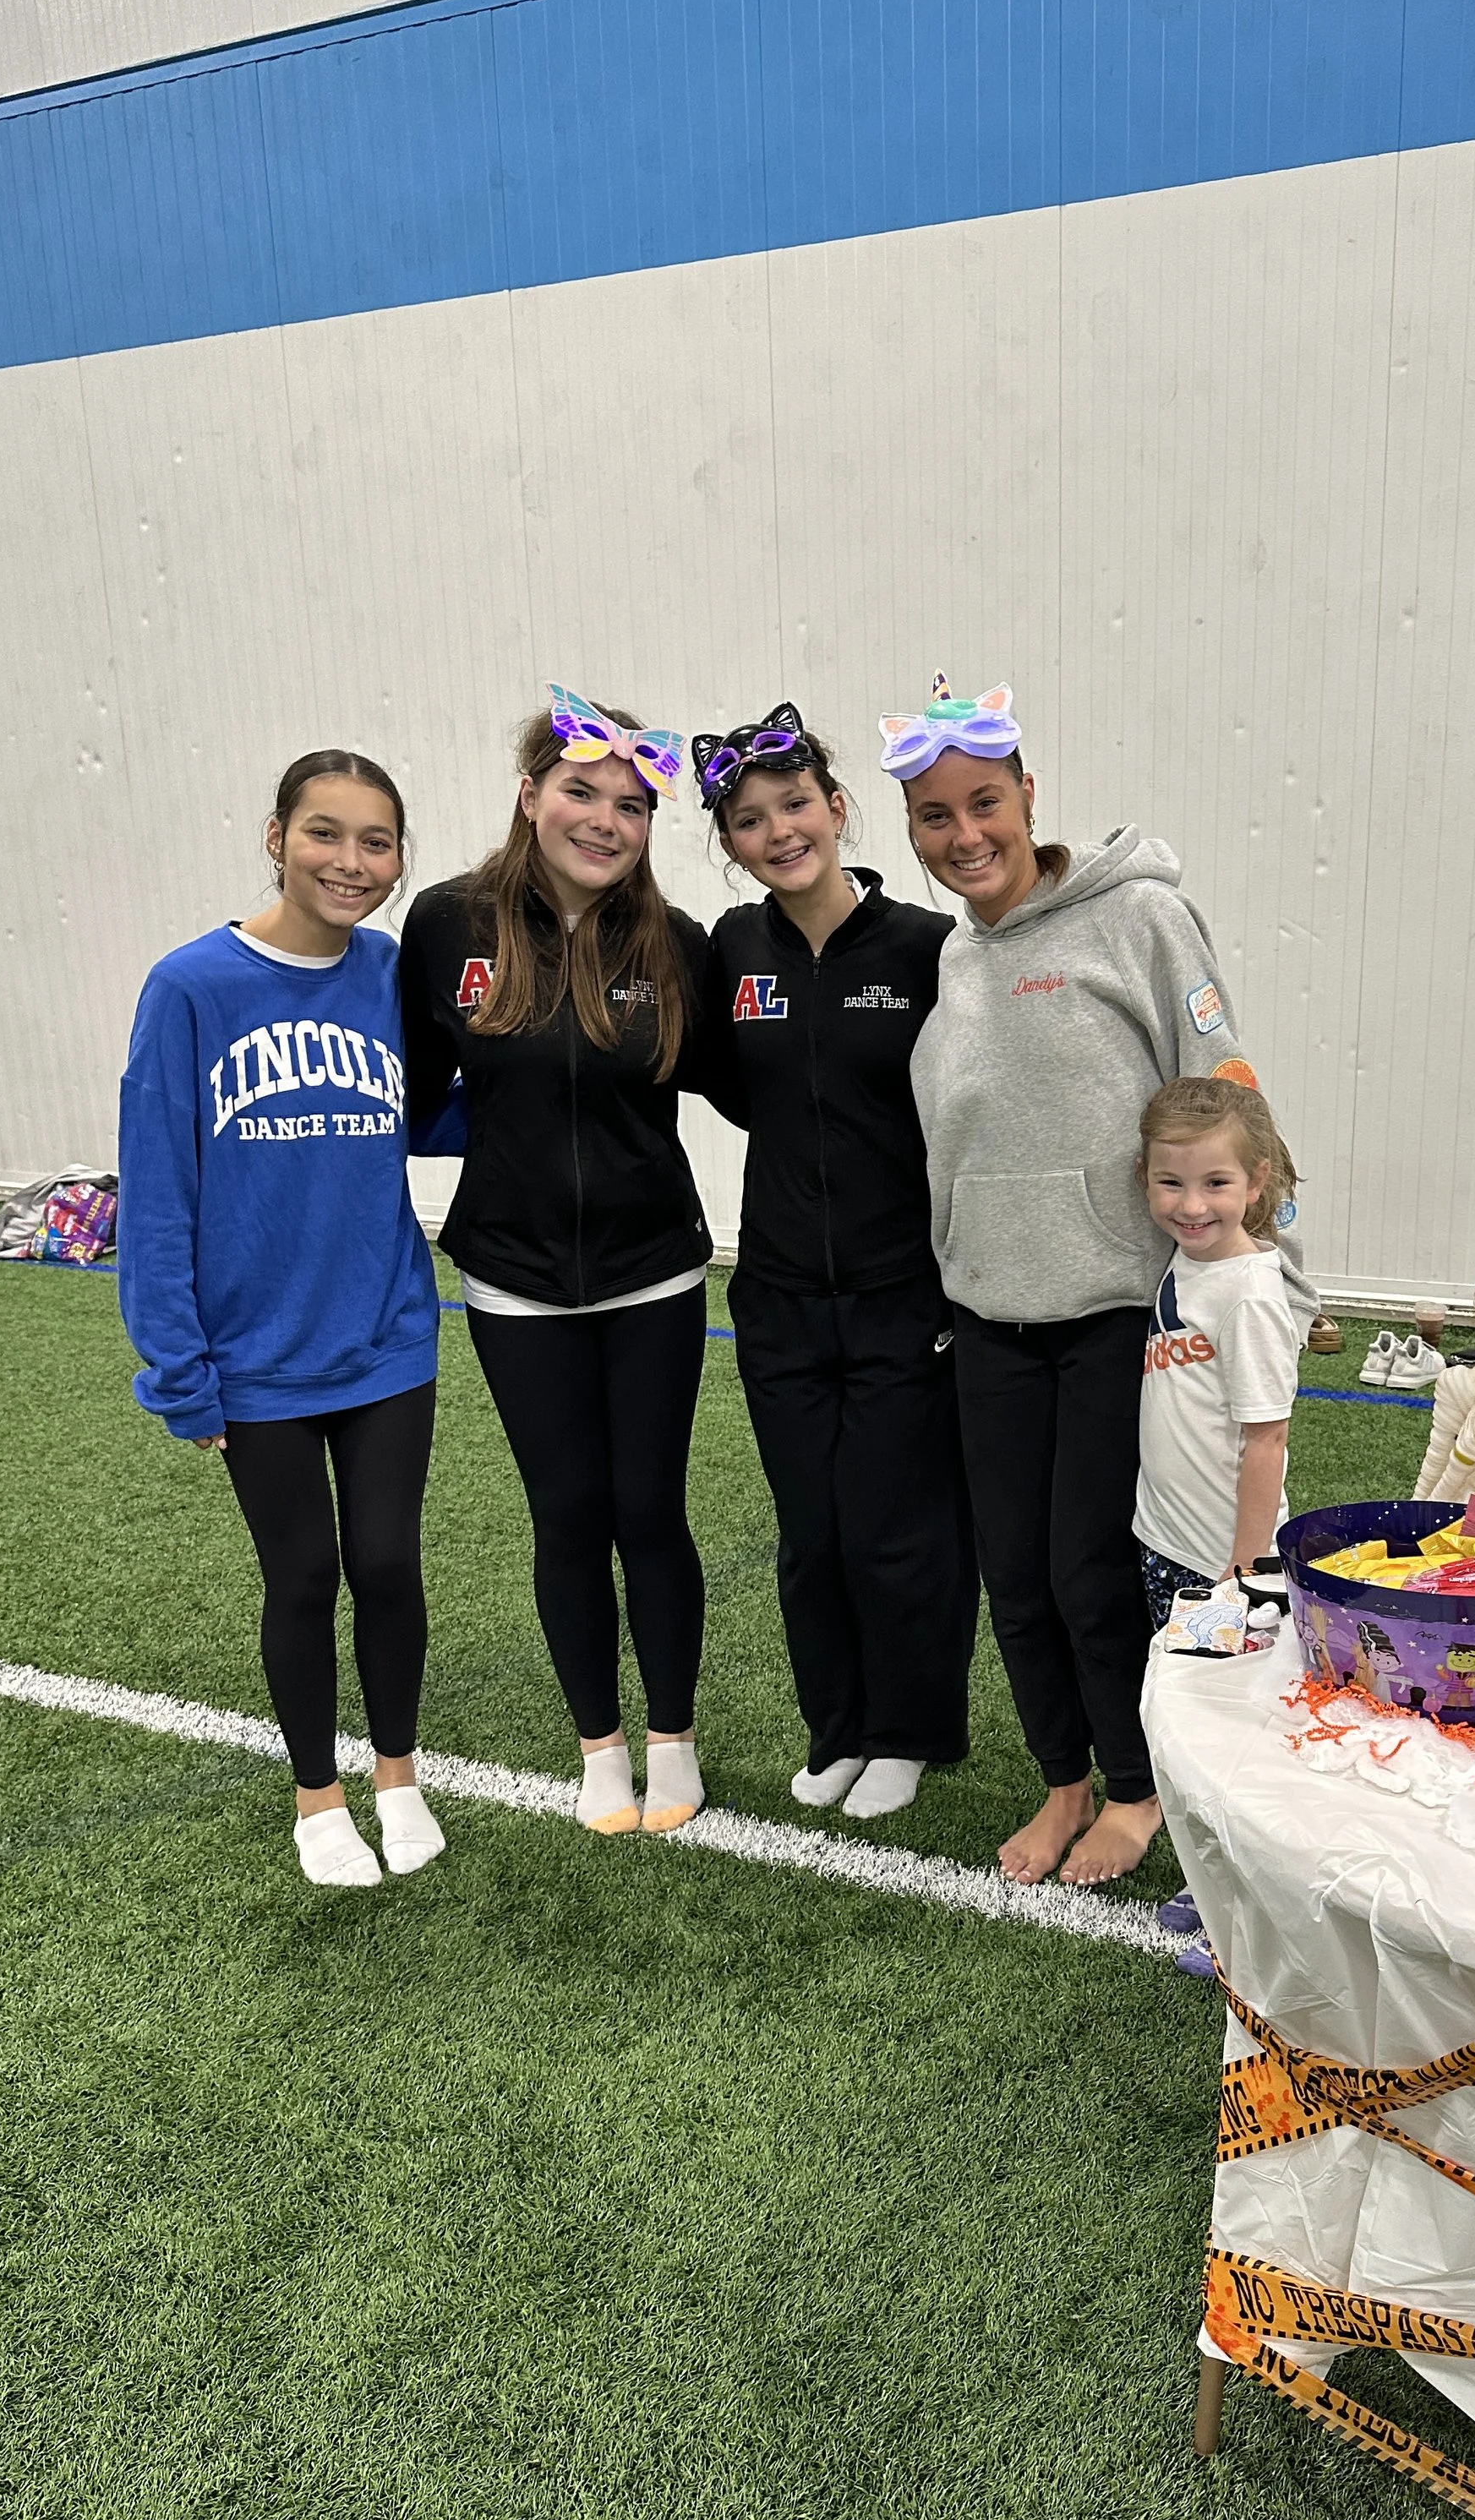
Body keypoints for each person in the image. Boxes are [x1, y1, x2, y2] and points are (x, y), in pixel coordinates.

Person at [888, 676, 1316, 1886]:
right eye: (933, 817)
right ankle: (1062, 1778)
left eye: (984, 803)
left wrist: (1276, 1275)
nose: (965, 834)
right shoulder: (956, 959)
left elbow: (1224, 1090)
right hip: (986, 1316)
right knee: (1013, 1575)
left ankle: (1133, 1789)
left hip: (1115, 1318)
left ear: (1029, 794)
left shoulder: (1139, 921)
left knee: (1088, 1569)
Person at [118, 749, 446, 1890]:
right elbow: (156, 1193)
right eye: (325, 833)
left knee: (392, 1564)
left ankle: (398, 1773)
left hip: (387, 1334)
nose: (350, 862)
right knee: (304, 1574)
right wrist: (181, 1372)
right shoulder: (192, 987)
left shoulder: (390, 974)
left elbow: (438, 1114)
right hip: (255, 1359)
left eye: (376, 842)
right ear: (276, 836)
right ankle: (319, 1797)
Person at [397, 687, 720, 1839]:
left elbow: (758, 1079)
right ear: (530, 794)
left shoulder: (675, 944)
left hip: (654, 1275)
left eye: (631, 805)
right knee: (568, 1512)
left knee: (651, 1509)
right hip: (513, 1278)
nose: (605, 820)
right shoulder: (443, 925)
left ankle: (673, 1735)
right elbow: (403, 1087)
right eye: (581, 792)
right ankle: (599, 1747)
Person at [697, 703, 976, 1819]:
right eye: (751, 820)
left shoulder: (923, 946)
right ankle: (841, 1725)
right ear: (730, 842)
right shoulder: (733, 948)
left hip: (904, 1293)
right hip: (775, 1296)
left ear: (836, 807)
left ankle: (909, 1730)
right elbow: (734, 1083)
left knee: (896, 1525)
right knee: (812, 1533)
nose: (779, 831)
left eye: (796, 805)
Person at [1132, 1075, 1300, 1628]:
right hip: (1167, 1540)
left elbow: (1268, 1438)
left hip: (1221, 1563)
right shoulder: (1190, 1258)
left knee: (1217, 1705)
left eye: (1216, 1182)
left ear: (1256, 1182)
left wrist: (1245, 1567)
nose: (1192, 1204)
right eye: (1172, 1182)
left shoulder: (1248, 1294)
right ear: (1145, 1179)